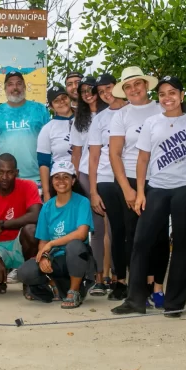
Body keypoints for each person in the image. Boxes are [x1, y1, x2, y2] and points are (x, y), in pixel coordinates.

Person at [112, 76, 186, 316]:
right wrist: (140, 192)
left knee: (181, 245)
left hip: (184, 189)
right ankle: (135, 301)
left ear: (182, 95)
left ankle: (174, 304)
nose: (167, 98)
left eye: (172, 92)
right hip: (157, 188)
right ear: (158, 97)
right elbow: (142, 159)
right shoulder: (151, 122)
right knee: (140, 242)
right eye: (162, 94)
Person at [101, 66, 165, 302]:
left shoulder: (161, 109)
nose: (133, 89)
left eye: (137, 84)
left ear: (146, 85)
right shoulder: (121, 115)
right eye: (127, 86)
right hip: (127, 178)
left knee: (158, 235)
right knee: (133, 235)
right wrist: (127, 189)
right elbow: (115, 154)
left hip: (159, 178)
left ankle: (153, 286)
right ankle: (134, 286)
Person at [18, 161, 96, 309]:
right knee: (24, 272)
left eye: (66, 177)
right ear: (51, 181)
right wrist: (44, 257)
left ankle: (74, 291)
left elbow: (81, 233)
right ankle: (54, 286)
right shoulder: (47, 207)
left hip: (77, 258)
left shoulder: (82, 202)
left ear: (73, 181)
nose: (61, 181)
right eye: (57, 177)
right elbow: (43, 240)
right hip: (56, 258)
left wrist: (52, 244)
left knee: (74, 246)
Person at [0, 153, 42, 294]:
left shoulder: (28, 186)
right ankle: (1, 278)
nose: (5, 177)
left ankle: (29, 279)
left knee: (31, 230)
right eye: (0, 172)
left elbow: (36, 215)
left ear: (16, 173)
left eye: (10, 172)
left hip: (20, 243)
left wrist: (3, 224)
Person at [70, 75, 109, 295]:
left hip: (111, 173)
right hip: (86, 174)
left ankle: (113, 275)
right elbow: (76, 153)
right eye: (82, 91)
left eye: (90, 89)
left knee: (112, 229)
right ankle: (98, 277)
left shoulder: (112, 113)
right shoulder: (80, 118)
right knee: (97, 228)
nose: (87, 94)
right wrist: (75, 179)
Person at [87, 73, 125, 295]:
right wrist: (93, 191)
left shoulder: (131, 111)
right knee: (114, 231)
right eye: (101, 92)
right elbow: (93, 157)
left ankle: (138, 280)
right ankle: (117, 279)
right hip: (106, 180)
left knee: (134, 231)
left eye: (108, 88)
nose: (105, 94)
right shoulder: (99, 119)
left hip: (132, 179)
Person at [0, 71, 50, 184]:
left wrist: (48, 173)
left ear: (24, 87)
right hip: (7, 182)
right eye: (10, 84)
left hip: (38, 180)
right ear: (5, 89)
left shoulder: (40, 110)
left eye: (19, 83)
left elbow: (51, 143)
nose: (15, 87)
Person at [37, 85, 75, 201]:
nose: (61, 102)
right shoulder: (47, 129)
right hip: (60, 181)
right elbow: (43, 163)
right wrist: (47, 192)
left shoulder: (85, 120)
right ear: (51, 106)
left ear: (69, 98)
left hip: (85, 177)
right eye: (56, 101)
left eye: (64, 98)